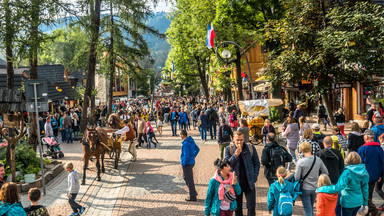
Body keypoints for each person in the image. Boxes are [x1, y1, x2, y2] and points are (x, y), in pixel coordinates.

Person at [225, 131, 260, 216]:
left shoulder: (250, 148)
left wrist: (254, 176)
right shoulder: (229, 149)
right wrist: (235, 155)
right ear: (233, 139)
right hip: (236, 184)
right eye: (237, 140)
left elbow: (257, 163)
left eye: (241, 140)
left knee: (251, 209)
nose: (239, 142)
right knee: (237, 209)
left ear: (244, 139)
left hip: (249, 182)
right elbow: (226, 166)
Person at [294, 141, 328, 216]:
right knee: (311, 208)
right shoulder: (318, 159)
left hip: (305, 188)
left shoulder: (301, 162)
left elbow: (297, 177)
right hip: (315, 187)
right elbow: (325, 172)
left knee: (308, 210)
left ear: (302, 151)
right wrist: (319, 179)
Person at [357, 129, 384, 216]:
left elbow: (360, 164)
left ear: (367, 137)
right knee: (369, 195)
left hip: (364, 176)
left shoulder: (362, 148)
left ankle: (374, 211)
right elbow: (382, 163)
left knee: (365, 196)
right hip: (375, 175)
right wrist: (380, 175)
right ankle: (368, 212)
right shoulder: (379, 148)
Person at [180, 129, 200, 201]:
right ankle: (193, 192)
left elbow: (186, 155)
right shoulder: (191, 140)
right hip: (191, 162)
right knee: (188, 178)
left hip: (187, 163)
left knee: (188, 179)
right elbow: (197, 149)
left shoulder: (185, 143)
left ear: (182, 135)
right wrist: (193, 156)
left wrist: (184, 162)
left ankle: (192, 196)